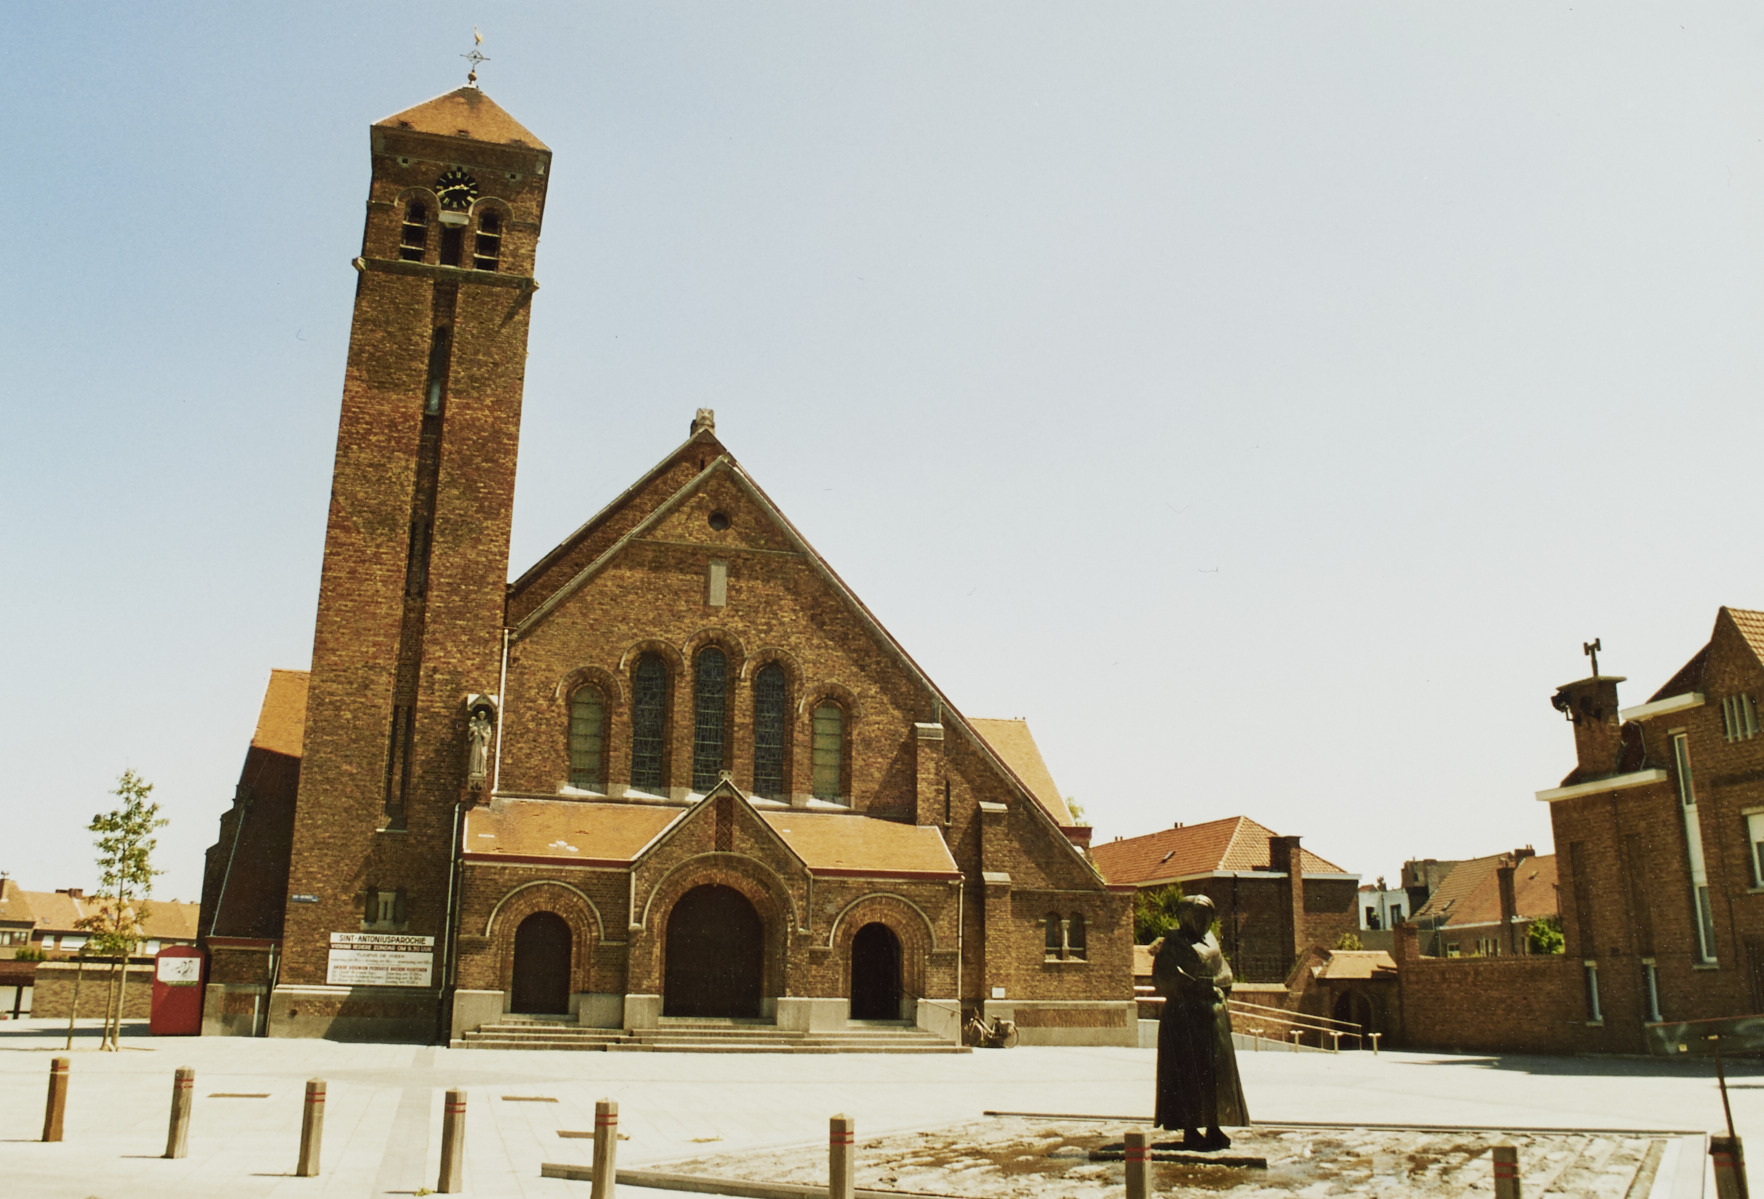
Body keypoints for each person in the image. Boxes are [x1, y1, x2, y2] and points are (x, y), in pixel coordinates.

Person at [1151, 894, 1248, 1150]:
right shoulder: (1173, 944)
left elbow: (1225, 973)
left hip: (1212, 1018)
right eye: (1198, 916)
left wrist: (1215, 985)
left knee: (1215, 1076)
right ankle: (1190, 1129)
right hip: (1184, 1020)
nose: (1203, 921)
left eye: (1207, 916)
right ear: (1185, 917)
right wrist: (1187, 986)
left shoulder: (1211, 941)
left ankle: (1214, 1126)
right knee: (1188, 1075)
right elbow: (1162, 979)